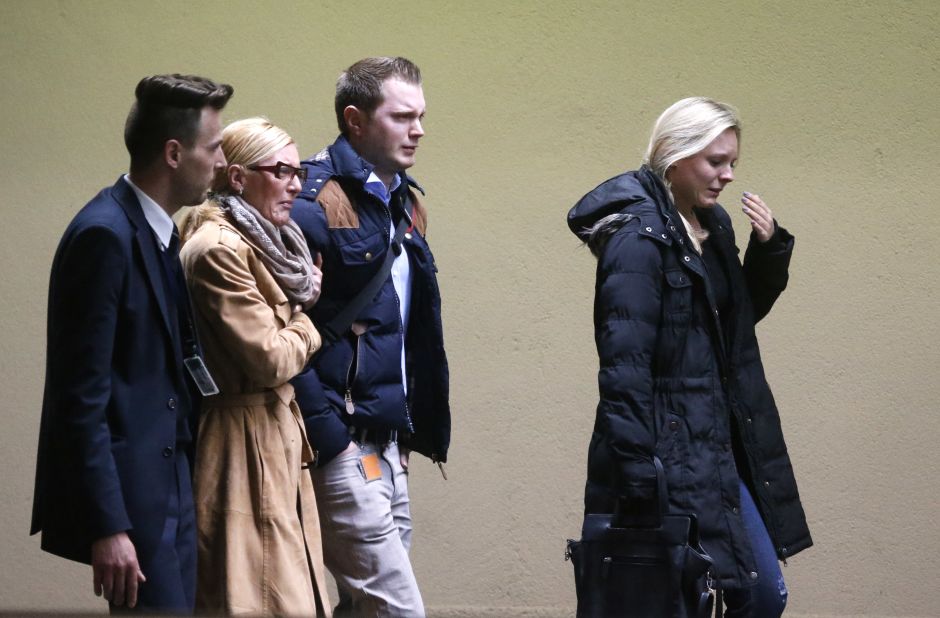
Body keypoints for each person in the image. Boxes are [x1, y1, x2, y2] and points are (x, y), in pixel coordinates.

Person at [566, 97, 812, 617]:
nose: (725, 175)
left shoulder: (710, 225)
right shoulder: (637, 239)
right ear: (675, 157)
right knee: (732, 595)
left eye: (732, 164)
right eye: (714, 161)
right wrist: (638, 474)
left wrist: (767, 251)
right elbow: (623, 368)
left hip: (716, 443)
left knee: (744, 594)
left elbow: (728, 324)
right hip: (667, 452)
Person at [30, 74, 233, 613]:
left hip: (171, 482)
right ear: (173, 152)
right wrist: (108, 526)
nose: (220, 162)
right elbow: (81, 397)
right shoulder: (104, 234)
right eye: (212, 147)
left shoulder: (160, 231)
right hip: (134, 503)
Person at [290, 56, 450, 617]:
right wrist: (329, 438)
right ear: (354, 120)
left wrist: (401, 433)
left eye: (421, 115)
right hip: (340, 440)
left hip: (385, 439)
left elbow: (404, 330)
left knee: (366, 608)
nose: (419, 129)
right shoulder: (311, 203)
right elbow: (285, 331)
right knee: (398, 610)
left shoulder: (405, 202)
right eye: (402, 116)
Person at [178, 117, 331, 616]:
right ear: (239, 177)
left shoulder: (271, 244)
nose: (297, 184)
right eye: (282, 170)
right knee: (257, 597)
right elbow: (270, 359)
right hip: (240, 442)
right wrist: (309, 323)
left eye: (299, 171)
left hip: (275, 435)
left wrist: (295, 315)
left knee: (286, 592)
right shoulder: (217, 250)